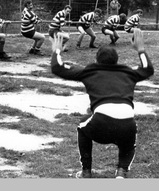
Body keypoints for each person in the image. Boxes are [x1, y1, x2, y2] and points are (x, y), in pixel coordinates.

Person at [51, 28, 153, 179]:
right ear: (116, 60)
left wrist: (57, 51)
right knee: (129, 140)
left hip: (101, 122)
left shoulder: (90, 71)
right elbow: (147, 69)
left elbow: (57, 68)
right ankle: (121, 171)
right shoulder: (128, 72)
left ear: (97, 60)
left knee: (82, 127)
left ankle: (86, 171)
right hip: (127, 122)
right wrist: (141, 49)